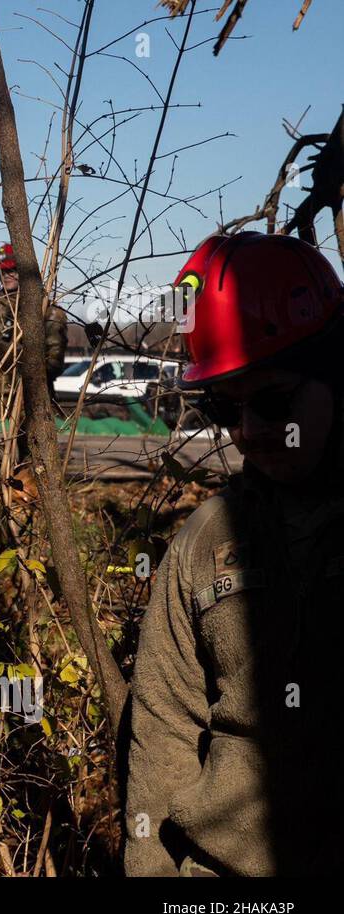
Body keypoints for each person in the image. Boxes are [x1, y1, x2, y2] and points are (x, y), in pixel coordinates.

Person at [125, 231, 344, 876]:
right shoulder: (207, 543)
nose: (247, 431)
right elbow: (163, 730)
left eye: (274, 401)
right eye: (226, 406)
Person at [0, 242, 68, 435]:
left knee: (28, 443)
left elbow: (55, 356)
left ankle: (22, 464)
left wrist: (35, 379)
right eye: (2, 271)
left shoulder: (47, 308)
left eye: (12, 270)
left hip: (29, 389)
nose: (6, 275)